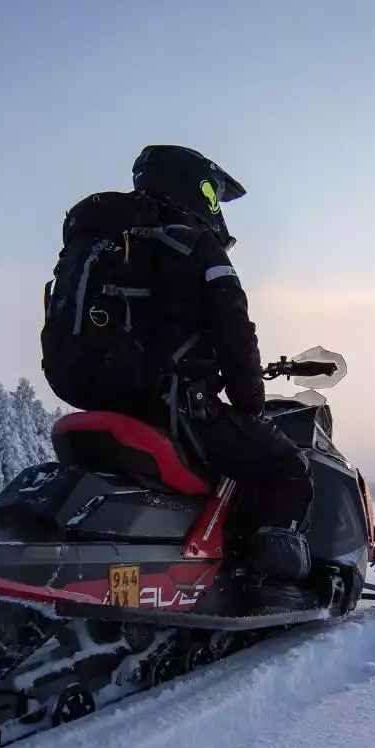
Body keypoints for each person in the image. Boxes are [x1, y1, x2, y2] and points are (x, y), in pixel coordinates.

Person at [41, 145, 316, 611]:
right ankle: (272, 589)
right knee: (288, 471)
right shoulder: (191, 242)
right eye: (213, 192)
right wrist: (250, 403)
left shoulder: (102, 243)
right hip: (175, 409)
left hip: (107, 404)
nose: (215, 205)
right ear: (194, 185)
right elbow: (235, 330)